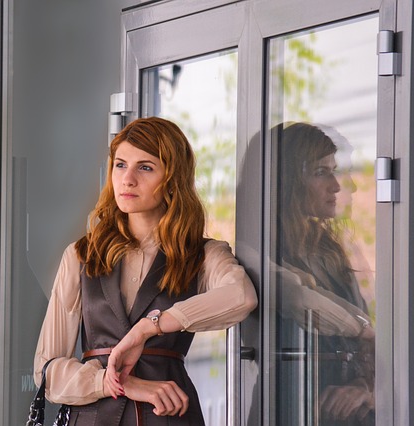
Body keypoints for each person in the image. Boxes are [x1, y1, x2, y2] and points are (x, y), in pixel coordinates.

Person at [33, 117, 258, 425]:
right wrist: (117, 383)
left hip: (169, 417)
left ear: (173, 178)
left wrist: (149, 327)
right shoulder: (81, 255)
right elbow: (46, 371)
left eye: (146, 167)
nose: (127, 179)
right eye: (120, 165)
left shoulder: (203, 254)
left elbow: (241, 297)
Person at [273, 122, 375, 425]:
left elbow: (376, 341)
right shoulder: (265, 249)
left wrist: (365, 388)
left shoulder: (332, 249)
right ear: (290, 181)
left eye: (335, 170)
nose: (338, 185)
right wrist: (362, 330)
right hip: (292, 406)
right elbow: (296, 295)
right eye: (321, 172)